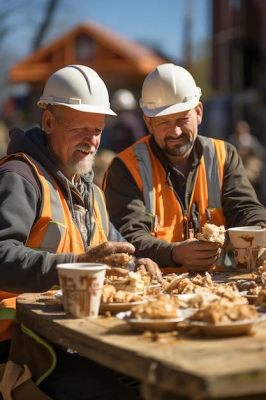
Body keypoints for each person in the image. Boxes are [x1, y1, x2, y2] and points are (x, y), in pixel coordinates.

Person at [0, 64, 160, 399]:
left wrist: (135, 263)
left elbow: (109, 250)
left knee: (157, 385)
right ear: (48, 122)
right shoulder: (19, 177)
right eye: (80, 129)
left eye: (97, 130)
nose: (92, 142)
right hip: (19, 347)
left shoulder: (90, 191)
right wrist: (74, 267)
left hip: (73, 338)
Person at [104, 63, 266, 273]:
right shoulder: (125, 167)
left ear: (198, 112)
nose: (176, 131)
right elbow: (128, 236)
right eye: (164, 122)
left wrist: (260, 227)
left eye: (183, 119)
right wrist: (173, 253)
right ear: (149, 122)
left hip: (216, 285)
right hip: (154, 289)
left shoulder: (223, 155)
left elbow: (244, 209)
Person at [227, 120, 266, 205]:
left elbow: (260, 155)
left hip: (251, 167)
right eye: (238, 131)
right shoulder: (232, 140)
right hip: (237, 164)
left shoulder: (251, 141)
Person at [101, 89, 147, 153]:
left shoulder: (134, 125)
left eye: (125, 112)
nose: (123, 117)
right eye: (120, 112)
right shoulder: (112, 126)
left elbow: (139, 146)